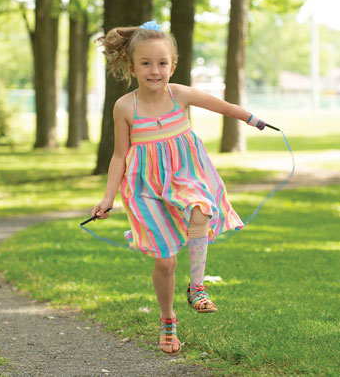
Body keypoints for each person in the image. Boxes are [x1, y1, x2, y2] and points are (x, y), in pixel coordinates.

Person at [92, 20, 266, 356]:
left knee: (202, 208)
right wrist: (107, 197)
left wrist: (252, 119)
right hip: (145, 188)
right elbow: (118, 156)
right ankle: (168, 319)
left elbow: (224, 107)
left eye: (162, 63)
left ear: (173, 65)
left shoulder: (180, 94)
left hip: (184, 176)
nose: (154, 71)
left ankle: (197, 287)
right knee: (166, 262)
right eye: (145, 63)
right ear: (132, 67)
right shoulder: (125, 107)